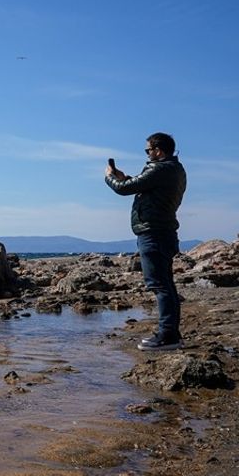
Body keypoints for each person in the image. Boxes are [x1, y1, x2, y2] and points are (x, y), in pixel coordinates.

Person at [105, 132, 187, 350]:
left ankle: (168, 336)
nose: (147, 155)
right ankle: (170, 333)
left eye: (148, 150)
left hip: (154, 233)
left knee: (159, 284)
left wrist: (110, 178)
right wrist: (125, 178)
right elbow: (141, 185)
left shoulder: (160, 168)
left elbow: (124, 189)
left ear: (158, 150)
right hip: (163, 232)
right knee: (165, 284)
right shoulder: (174, 169)